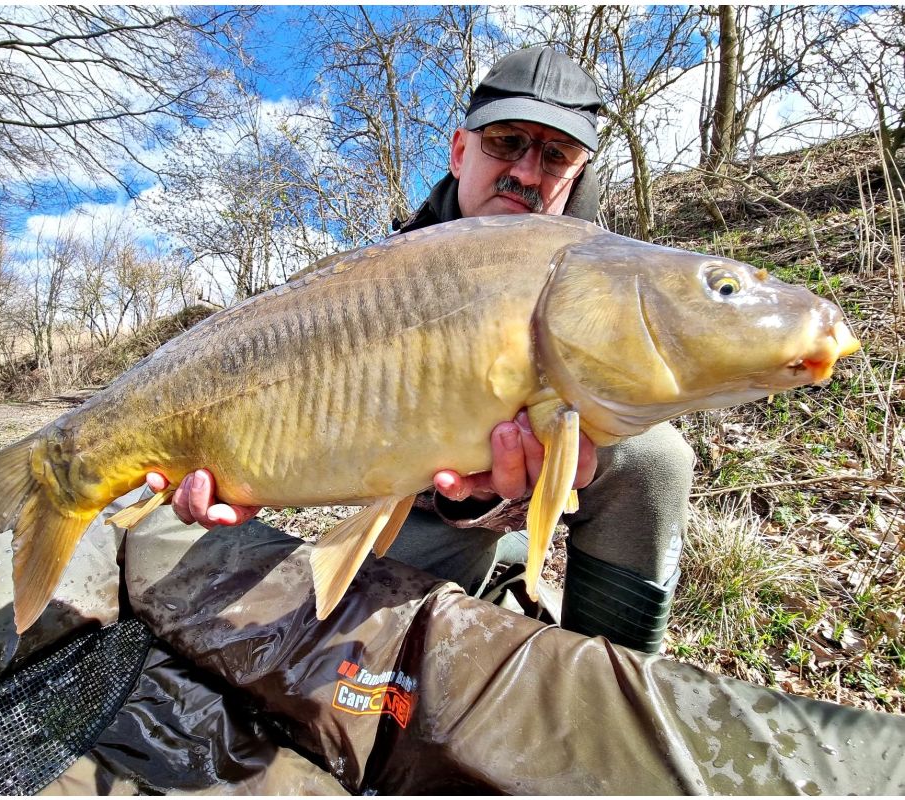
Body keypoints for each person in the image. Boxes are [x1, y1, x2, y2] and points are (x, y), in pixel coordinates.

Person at [146, 46, 695, 653]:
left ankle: (620, 684)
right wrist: (250, 472)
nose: (529, 173)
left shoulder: (612, 273)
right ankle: (493, 590)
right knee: (356, 653)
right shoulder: (389, 275)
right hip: (426, 514)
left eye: (556, 155)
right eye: (507, 142)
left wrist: (519, 487)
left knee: (655, 455)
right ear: (461, 152)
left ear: (578, 175)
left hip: (547, 500)